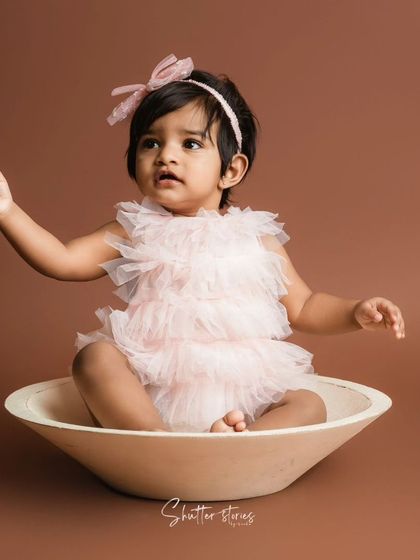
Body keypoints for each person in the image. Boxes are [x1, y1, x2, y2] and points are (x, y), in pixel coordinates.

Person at [0, 53, 405, 434]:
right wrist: (7, 211)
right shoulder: (135, 229)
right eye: (150, 143)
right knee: (93, 359)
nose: (166, 156)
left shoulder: (256, 239)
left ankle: (237, 443)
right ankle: (156, 443)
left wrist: (355, 312)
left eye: (190, 144)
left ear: (231, 169)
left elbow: (304, 306)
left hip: (244, 388)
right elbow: (63, 260)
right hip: (154, 381)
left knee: (309, 404)